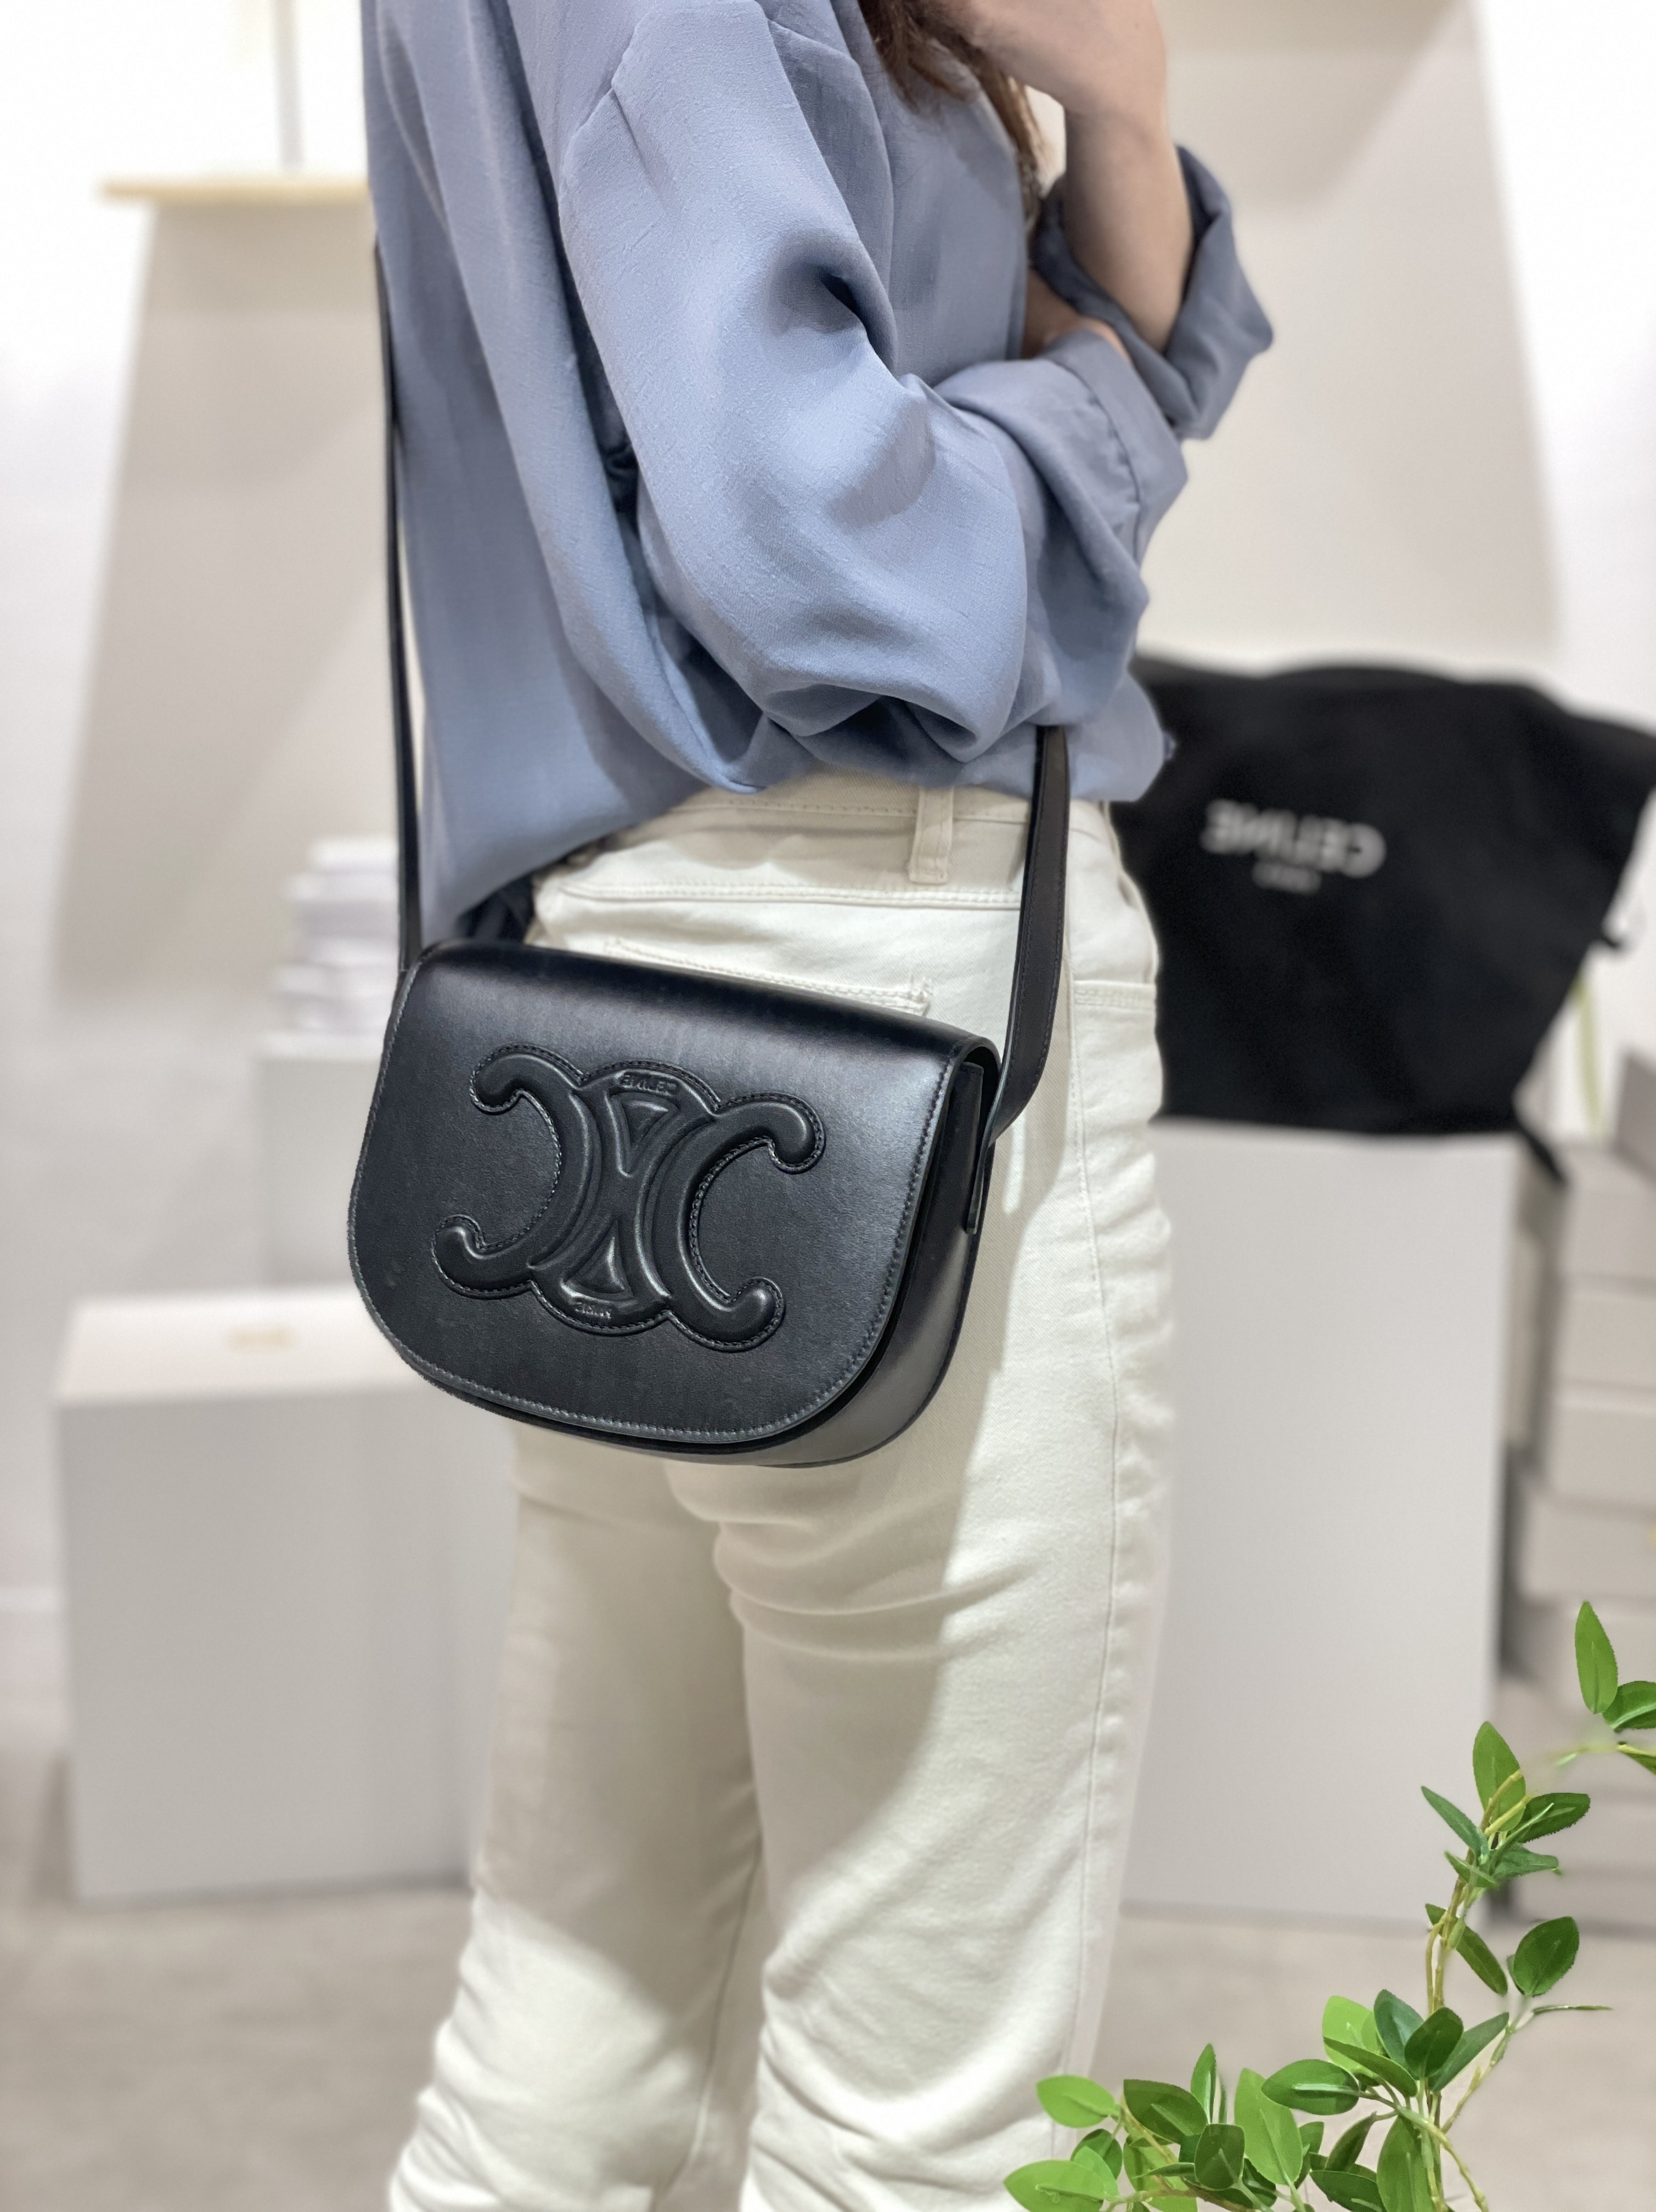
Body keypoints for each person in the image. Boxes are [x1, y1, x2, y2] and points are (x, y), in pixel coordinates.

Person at [362, 2, 1270, 2207]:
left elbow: (1123, 366)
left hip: (609, 1007)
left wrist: (1115, 106)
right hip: (891, 975)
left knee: (575, 2027)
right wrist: (1081, 401)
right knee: (919, 2129)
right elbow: (831, 557)